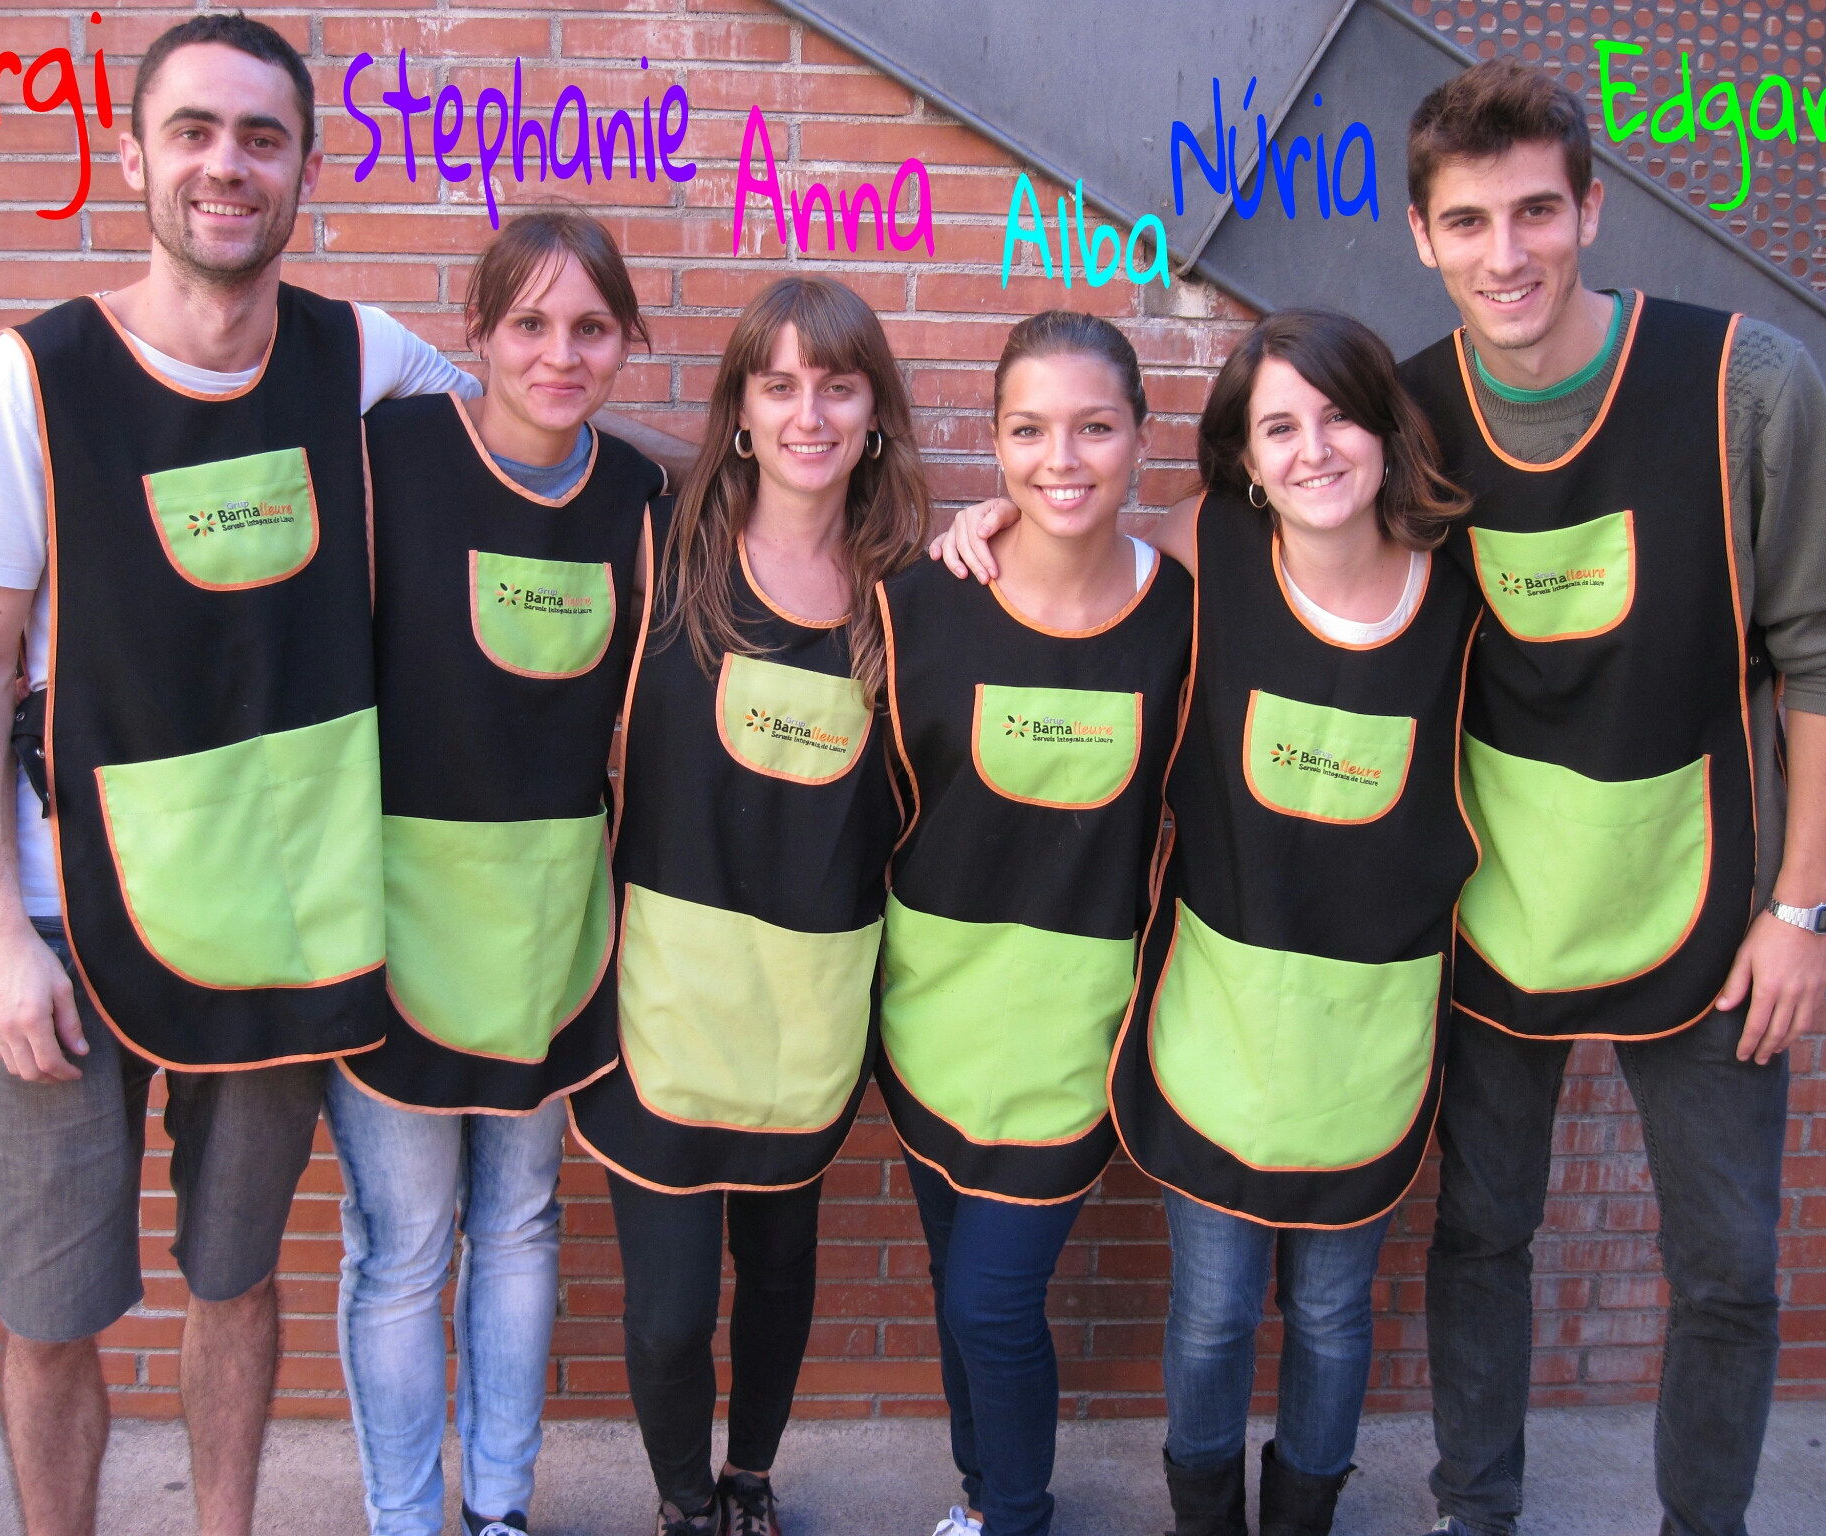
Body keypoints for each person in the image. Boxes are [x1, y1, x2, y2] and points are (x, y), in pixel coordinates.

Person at [0, 16, 485, 1536]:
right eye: (192, 131)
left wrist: (793, 505)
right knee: (52, 1310)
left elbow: (531, 453)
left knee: (235, 1282)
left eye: (260, 136)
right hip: (61, 918)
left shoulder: (361, 356)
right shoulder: (31, 379)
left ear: (304, 166)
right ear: (132, 158)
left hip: (277, 914)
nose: (225, 165)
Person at [1396, 59, 1826, 1536]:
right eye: (1467, 221)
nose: (1506, 253)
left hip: (1713, 904)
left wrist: (1803, 908)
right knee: (1481, 1233)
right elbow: (1247, 529)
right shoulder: (1401, 415)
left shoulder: (1748, 385)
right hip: (1492, 905)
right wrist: (1009, 533)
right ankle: (1476, 1511)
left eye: (1535, 211)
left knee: (1727, 1268)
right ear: (1420, 235)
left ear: (1591, 210)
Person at [567, 276, 930, 1536]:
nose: (807, 415)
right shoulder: (661, 549)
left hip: (806, 1011)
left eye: (836, 386)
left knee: (777, 1273)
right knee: (670, 1310)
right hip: (664, 1001)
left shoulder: (908, 594)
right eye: (777, 386)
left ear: (874, 413)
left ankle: (752, 1479)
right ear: (738, 412)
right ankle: (682, 1502)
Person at [325, 209, 668, 1536]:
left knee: (522, 1222)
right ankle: (407, 1520)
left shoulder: (636, 496)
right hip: (396, 918)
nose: (558, 354)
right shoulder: (389, 458)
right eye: (528, 323)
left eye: (591, 327)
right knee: (402, 1248)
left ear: (626, 341)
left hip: (549, 922)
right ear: (473, 332)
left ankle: (501, 1510)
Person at [1105, 311, 1477, 1536]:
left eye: (1336, 416)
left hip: (1367, 1032)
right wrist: (985, 522)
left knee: (1327, 1311)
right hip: (1220, 1019)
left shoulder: (1459, 591)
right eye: (1277, 427)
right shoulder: (1208, 545)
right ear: (1245, 460)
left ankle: (1304, 1517)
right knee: (1213, 1310)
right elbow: (1075, 555)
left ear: (1384, 429)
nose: (1311, 449)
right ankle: (1204, 1518)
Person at [880, 311, 1192, 1536]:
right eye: (1028, 430)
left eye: (1093, 427)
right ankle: (980, 1500)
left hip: (1075, 1031)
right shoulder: (922, 603)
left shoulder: (1186, 616)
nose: (1060, 459)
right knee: (955, 1285)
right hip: (932, 1013)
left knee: (989, 1303)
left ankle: (1015, 1514)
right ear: (994, 441)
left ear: (1139, 438)